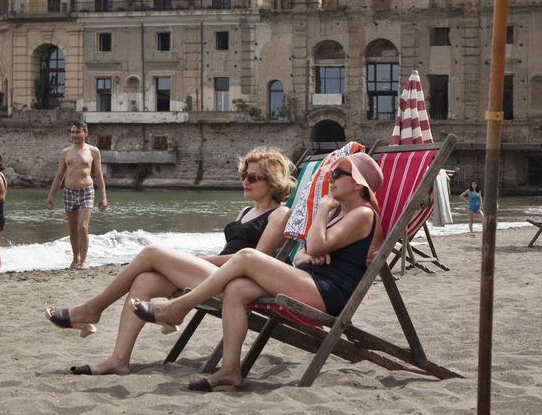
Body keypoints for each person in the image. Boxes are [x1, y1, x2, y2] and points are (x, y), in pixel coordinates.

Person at [128, 151, 383, 392]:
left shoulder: (363, 214)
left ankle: (178, 308)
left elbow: (315, 245)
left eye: (337, 174)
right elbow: (303, 252)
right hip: (310, 279)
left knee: (247, 256)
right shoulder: (341, 214)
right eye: (330, 174)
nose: (331, 179)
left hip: (328, 293)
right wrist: (310, 253)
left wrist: (323, 211)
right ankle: (230, 371)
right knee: (237, 288)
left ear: (358, 183)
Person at [44, 147, 297, 376]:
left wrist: (208, 260)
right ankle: (118, 360)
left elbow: (259, 258)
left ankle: (92, 309)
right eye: (243, 175)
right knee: (144, 280)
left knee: (152, 252)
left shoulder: (281, 213)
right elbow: (233, 250)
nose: (245, 181)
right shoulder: (246, 212)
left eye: (252, 177)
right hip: (218, 273)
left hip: (238, 283)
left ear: (273, 182)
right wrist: (207, 262)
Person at [45, 121, 108, 269]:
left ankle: (83, 261)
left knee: (82, 227)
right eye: (72, 132)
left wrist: (103, 196)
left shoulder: (93, 151)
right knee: (73, 228)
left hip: (86, 191)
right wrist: (51, 195)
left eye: (78, 132)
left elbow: (99, 176)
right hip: (68, 191)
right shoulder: (66, 152)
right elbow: (59, 176)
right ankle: (75, 259)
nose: (74, 135)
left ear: (85, 133)